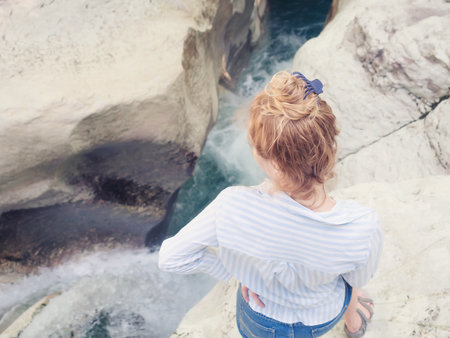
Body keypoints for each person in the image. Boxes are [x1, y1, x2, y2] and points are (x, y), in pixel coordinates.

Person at [158, 71, 382, 338]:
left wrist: (236, 274)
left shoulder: (232, 205)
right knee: (350, 277)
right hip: (319, 318)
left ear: (274, 163)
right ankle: (354, 323)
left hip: (258, 320)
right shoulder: (361, 225)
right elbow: (357, 279)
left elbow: (170, 258)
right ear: (328, 148)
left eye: (253, 145)